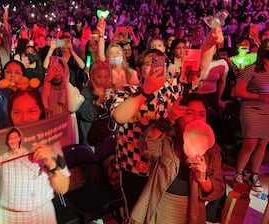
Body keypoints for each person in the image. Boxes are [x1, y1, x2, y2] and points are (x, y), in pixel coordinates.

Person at [0, 90, 70, 224]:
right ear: (10, 114)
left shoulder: (52, 142)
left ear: (41, 111)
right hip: (7, 217)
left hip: (44, 215)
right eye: (17, 112)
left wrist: (51, 163)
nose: (24, 118)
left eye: (31, 111)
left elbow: (63, 188)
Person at [129, 94, 225, 224]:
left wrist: (202, 178)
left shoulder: (212, 150)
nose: (196, 118)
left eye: (202, 114)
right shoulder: (167, 138)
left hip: (190, 209)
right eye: (190, 113)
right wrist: (169, 118)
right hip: (160, 201)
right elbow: (146, 148)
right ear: (179, 117)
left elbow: (217, 189)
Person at [112, 48, 182, 217]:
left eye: (159, 64)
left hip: (161, 168)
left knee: (157, 214)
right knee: (135, 214)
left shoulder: (170, 93)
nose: (154, 68)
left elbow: (196, 74)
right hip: (133, 166)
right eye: (149, 63)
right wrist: (146, 92)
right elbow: (119, 117)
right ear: (138, 70)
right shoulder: (127, 92)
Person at [231, 38, 269, 192]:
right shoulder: (251, 69)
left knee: (263, 143)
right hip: (251, 109)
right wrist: (260, 97)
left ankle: (254, 175)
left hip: (268, 111)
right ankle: (238, 174)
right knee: (250, 143)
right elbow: (236, 91)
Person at [41, 56, 85, 147]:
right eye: (53, 69)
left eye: (59, 69)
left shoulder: (71, 88)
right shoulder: (44, 89)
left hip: (68, 128)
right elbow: (45, 105)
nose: (56, 73)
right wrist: (47, 79)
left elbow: (72, 107)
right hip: (51, 129)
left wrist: (65, 80)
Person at [77, 60, 113, 146]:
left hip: (107, 137)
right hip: (91, 140)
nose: (103, 80)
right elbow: (86, 115)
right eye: (99, 77)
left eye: (106, 77)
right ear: (92, 77)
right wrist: (98, 102)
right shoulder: (85, 93)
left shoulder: (111, 90)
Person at [97, 17, 138, 91]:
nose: (115, 55)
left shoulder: (132, 73)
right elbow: (101, 55)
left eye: (117, 52)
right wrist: (101, 34)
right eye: (111, 54)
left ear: (123, 56)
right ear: (107, 58)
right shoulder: (107, 73)